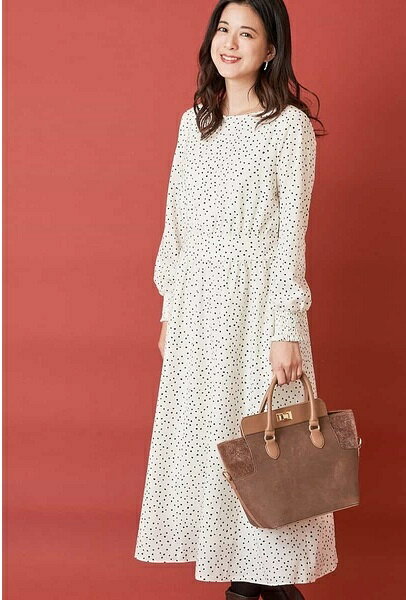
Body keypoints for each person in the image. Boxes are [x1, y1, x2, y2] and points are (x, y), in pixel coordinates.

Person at [134, 1, 336, 598]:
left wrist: (286, 326)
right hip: (199, 311)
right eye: (223, 29)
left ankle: (260, 584)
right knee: (211, 444)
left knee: (266, 444)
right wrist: (170, 311)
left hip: (258, 309)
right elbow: (176, 225)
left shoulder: (289, 129)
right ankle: (251, 585)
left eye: (246, 34)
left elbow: (291, 234)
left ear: (270, 50)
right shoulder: (194, 122)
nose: (230, 43)